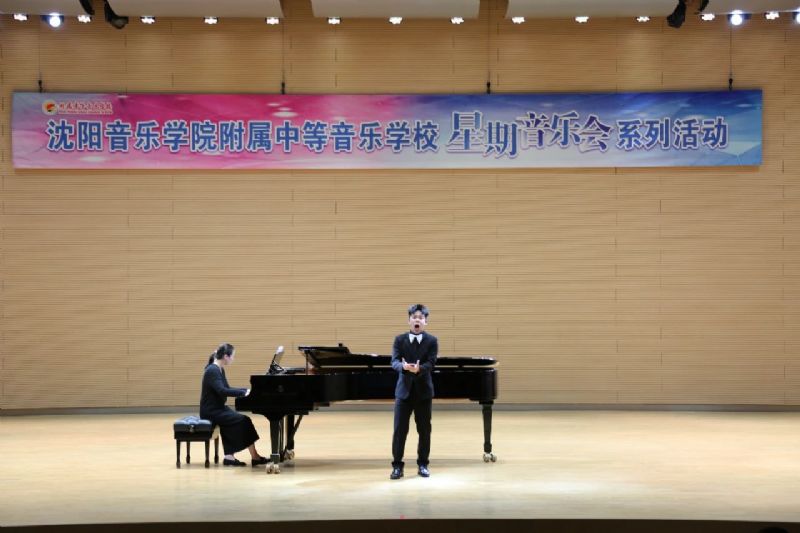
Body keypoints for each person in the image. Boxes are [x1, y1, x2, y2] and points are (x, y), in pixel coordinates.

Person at [390, 304, 438, 479]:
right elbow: (394, 361)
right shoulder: (399, 340)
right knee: (399, 431)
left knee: (424, 430)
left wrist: (420, 369)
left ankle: (423, 464)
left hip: (423, 393)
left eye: (421, 317)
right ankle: (397, 466)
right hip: (403, 393)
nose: (417, 320)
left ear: (425, 322)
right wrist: (403, 367)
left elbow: (431, 363)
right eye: (414, 317)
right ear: (409, 320)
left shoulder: (432, 341)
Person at [200, 343, 268, 467]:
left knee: (241, 420)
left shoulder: (219, 369)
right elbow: (222, 391)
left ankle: (231, 457)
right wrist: (243, 393)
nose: (233, 359)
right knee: (243, 420)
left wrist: (246, 390)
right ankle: (253, 457)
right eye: (232, 356)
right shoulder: (212, 370)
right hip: (211, 411)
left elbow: (227, 388)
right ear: (226, 356)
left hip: (218, 408)